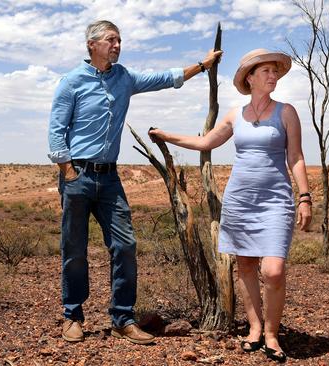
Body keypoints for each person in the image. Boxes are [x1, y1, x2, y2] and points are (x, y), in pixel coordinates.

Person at [47, 20, 222, 345]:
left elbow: (162, 78)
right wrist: (68, 170)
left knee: (125, 246)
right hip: (78, 176)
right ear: (92, 45)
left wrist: (202, 66)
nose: (117, 45)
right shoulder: (71, 82)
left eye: (119, 40)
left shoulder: (124, 78)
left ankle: (122, 319)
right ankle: (72, 316)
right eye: (111, 40)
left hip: (110, 177)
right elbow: (56, 129)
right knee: (74, 249)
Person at [149, 48, 312, 362]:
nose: (273, 76)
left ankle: (272, 335)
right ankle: (254, 328)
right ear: (249, 78)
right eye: (266, 71)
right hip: (240, 201)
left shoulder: (286, 112)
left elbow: (296, 157)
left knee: (274, 270)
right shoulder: (235, 115)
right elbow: (206, 142)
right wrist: (166, 135)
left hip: (276, 201)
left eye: (275, 71)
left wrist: (304, 197)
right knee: (247, 266)